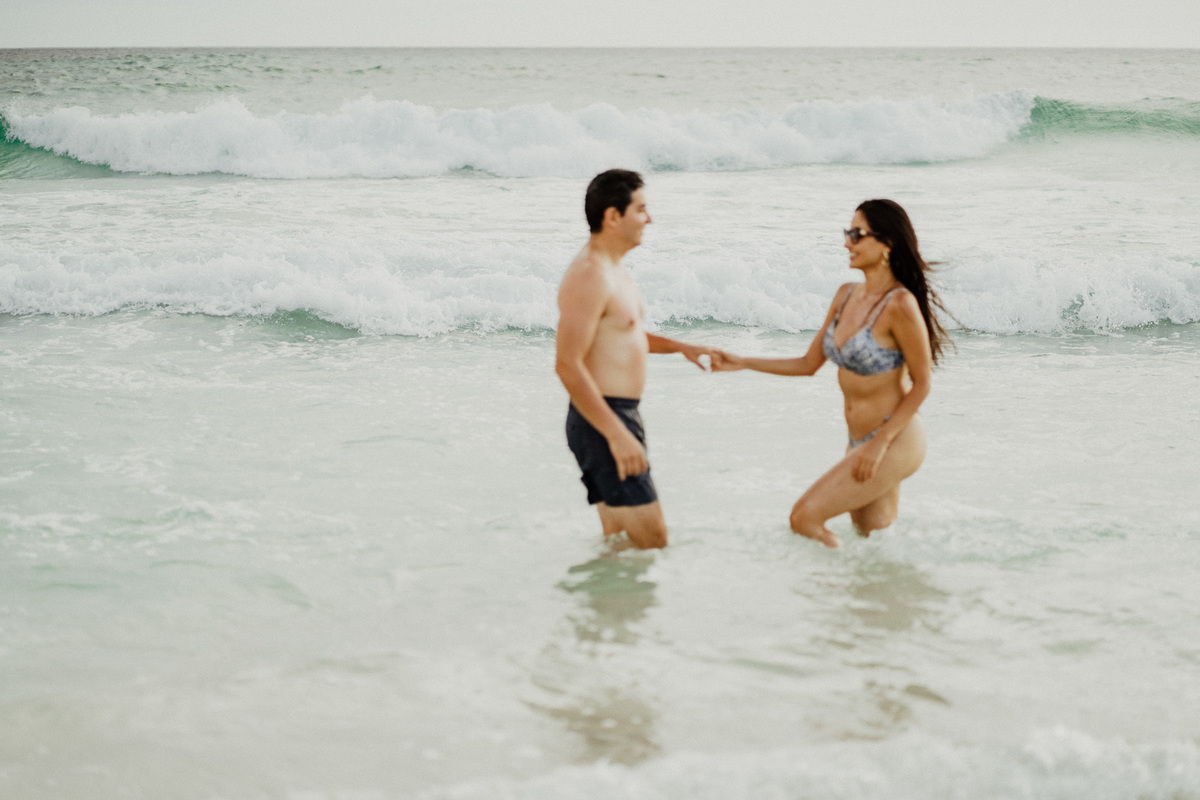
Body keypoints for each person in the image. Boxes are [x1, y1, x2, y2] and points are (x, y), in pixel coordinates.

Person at [712, 199, 954, 547]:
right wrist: (744, 361)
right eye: (847, 233)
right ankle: (882, 597)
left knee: (804, 517)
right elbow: (808, 365)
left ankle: (828, 591)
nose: (847, 243)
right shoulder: (845, 295)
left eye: (858, 234)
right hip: (860, 442)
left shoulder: (899, 305)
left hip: (893, 441)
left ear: (886, 243)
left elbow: (922, 384)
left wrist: (879, 444)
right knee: (872, 541)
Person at [555, 169, 711, 549]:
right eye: (641, 209)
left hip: (613, 417)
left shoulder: (614, 269)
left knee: (621, 543)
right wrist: (616, 435)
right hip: (603, 420)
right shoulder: (590, 275)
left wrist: (679, 347)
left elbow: (621, 336)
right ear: (613, 216)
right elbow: (567, 364)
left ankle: (605, 606)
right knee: (652, 540)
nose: (649, 218)